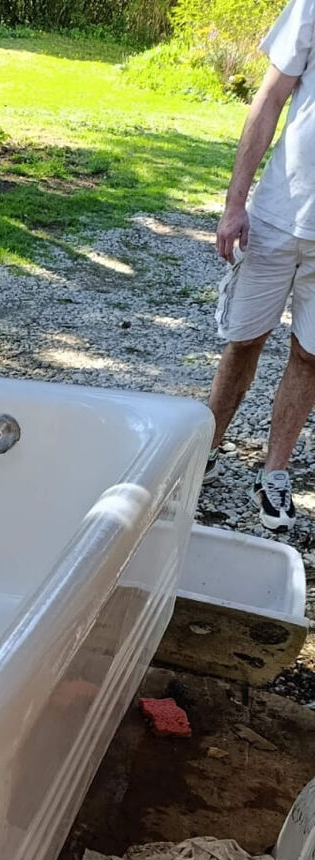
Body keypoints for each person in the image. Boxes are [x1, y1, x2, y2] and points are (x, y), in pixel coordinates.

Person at [206, 0, 315, 533]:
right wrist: (235, 203)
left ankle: (273, 473)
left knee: (311, 356)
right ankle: (202, 450)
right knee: (245, 341)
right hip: (277, 214)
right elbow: (270, 96)